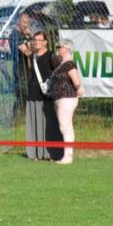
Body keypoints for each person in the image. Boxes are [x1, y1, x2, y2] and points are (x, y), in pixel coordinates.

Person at [24, 31, 63, 161]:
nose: (37, 42)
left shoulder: (52, 56)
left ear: (45, 42)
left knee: (51, 124)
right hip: (33, 93)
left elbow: (58, 72)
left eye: (40, 40)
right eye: (35, 40)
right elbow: (30, 73)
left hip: (48, 95)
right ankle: (35, 153)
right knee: (34, 124)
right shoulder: (31, 57)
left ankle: (53, 153)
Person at [49, 38, 84, 164]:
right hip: (61, 98)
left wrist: (79, 89)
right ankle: (67, 155)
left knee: (66, 127)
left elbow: (76, 80)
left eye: (60, 47)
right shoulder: (62, 64)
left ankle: (68, 156)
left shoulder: (69, 64)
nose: (58, 48)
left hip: (67, 98)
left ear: (66, 49)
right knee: (65, 127)